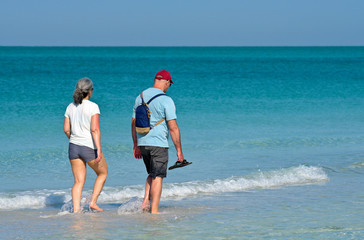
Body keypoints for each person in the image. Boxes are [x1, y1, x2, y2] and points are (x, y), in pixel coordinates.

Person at [131, 70, 184, 214]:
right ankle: (154, 211)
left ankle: (145, 202)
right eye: (169, 84)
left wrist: (136, 145)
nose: (168, 87)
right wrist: (179, 151)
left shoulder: (140, 97)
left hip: (143, 142)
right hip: (158, 143)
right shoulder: (166, 100)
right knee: (158, 176)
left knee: (152, 173)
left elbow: (133, 123)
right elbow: (173, 128)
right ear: (166, 82)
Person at [64, 77, 108, 213]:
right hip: (88, 147)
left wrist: (74, 139)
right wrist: (99, 150)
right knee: (103, 173)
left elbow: (66, 129)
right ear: (90, 91)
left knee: (78, 181)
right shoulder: (93, 106)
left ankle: (76, 211)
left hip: (73, 147)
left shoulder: (70, 106)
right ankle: (93, 202)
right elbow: (95, 129)